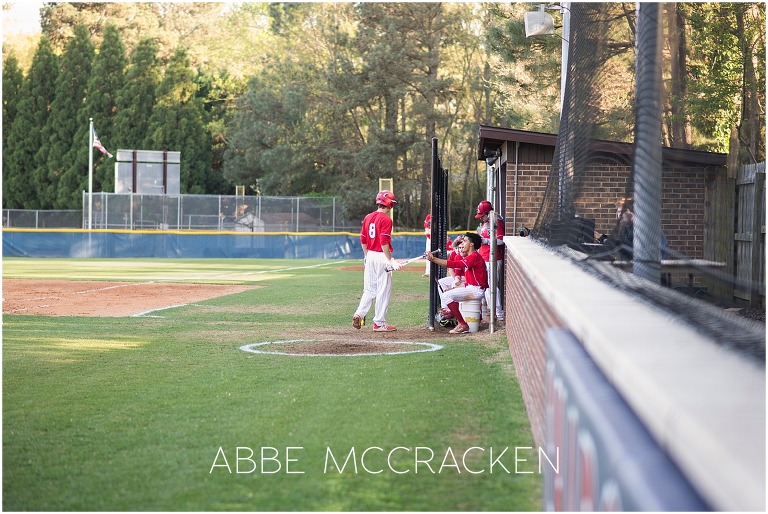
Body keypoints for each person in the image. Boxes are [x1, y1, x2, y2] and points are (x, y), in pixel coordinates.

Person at [352, 190, 401, 332]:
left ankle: (359, 314)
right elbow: (384, 241)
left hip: (370, 255)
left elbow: (363, 239)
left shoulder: (368, 217)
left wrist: (367, 255)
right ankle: (379, 323)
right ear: (390, 204)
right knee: (383, 290)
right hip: (381, 256)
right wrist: (390, 260)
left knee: (369, 289)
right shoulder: (386, 219)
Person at [425, 232, 488, 334]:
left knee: (446, 296)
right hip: (472, 288)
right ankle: (457, 317)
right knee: (447, 292)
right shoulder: (471, 256)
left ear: (471, 244)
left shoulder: (474, 256)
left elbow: (455, 264)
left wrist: (433, 259)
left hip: (476, 291)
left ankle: (462, 324)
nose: (463, 244)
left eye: (465, 241)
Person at [595, 197, 669, 260]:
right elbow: (622, 246)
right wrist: (602, 238)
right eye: (617, 211)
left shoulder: (644, 228)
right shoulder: (625, 230)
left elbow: (625, 248)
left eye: (622, 211)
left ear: (633, 212)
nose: (618, 215)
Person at [475, 200, 505, 321]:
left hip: (493, 258)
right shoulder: (485, 222)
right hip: (484, 257)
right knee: (486, 286)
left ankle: (499, 313)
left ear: (488, 212)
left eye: (483, 215)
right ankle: (492, 311)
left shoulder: (496, 220)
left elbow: (502, 241)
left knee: (491, 286)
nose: (481, 218)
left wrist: (486, 241)